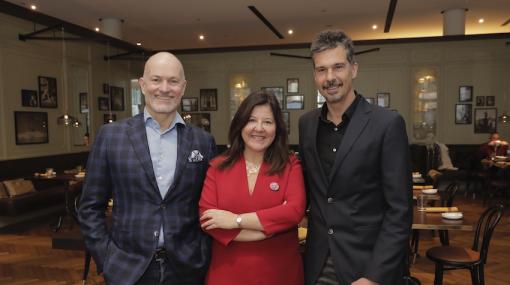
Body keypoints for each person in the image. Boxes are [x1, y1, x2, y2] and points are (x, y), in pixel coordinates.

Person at [78, 52, 216, 285]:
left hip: (186, 269)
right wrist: (106, 257)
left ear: (183, 88)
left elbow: (211, 204)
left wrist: (202, 252)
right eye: (156, 80)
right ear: (142, 85)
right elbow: (90, 207)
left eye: (173, 81)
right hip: (127, 270)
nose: (164, 88)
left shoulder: (203, 141)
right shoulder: (111, 136)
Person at [298, 30, 412, 285]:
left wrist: (374, 276)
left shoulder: (387, 124)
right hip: (317, 265)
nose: (330, 78)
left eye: (338, 67)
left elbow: (400, 210)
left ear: (354, 69)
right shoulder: (306, 124)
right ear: (315, 75)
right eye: (321, 70)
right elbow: (307, 189)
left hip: (367, 267)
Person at [199, 91, 306, 285]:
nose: (259, 128)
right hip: (227, 275)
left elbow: (293, 211)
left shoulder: (290, 165)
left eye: (267, 122)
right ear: (240, 124)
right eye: (251, 120)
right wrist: (267, 229)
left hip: (280, 275)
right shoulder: (217, 166)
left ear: (277, 128)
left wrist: (235, 220)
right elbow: (208, 220)